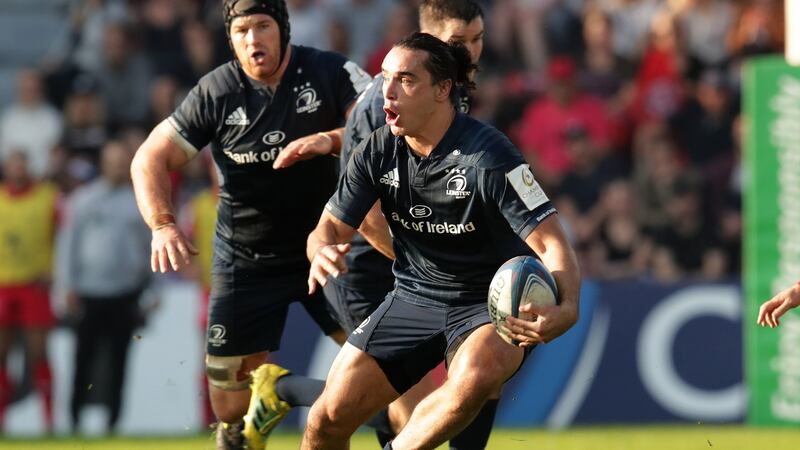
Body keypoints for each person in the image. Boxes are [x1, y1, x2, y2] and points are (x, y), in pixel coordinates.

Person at [303, 33, 581, 450]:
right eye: (384, 79)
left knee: (478, 373)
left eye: (406, 81)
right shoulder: (376, 150)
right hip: (413, 297)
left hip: (488, 303)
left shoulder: (489, 157)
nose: (388, 93)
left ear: (442, 90)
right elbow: (326, 228)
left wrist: (569, 307)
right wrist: (320, 249)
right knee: (325, 422)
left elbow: (553, 244)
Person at [252, 2, 496, 448]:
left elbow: (399, 134)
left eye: (478, 39)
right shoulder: (399, 86)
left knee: (435, 405)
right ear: (432, 40)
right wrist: (429, 267)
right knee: (414, 414)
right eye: (461, 42)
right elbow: (366, 209)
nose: (473, 51)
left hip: (415, 269)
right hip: (365, 270)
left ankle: (283, 389)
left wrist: (330, 139)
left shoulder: (447, 87)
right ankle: (281, 390)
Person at [128, 1, 370, 448]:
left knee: (383, 366)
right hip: (246, 261)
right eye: (242, 30)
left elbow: (379, 129)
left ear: (283, 30)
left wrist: (328, 140)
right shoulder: (216, 92)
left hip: (327, 250)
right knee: (229, 407)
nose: (253, 39)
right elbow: (150, 157)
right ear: (230, 38)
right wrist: (162, 223)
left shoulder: (330, 71)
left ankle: (387, 431)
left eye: (263, 26)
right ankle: (264, 403)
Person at [61, 139, 153, 434]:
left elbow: (152, 246)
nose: (116, 167)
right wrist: (67, 286)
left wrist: (155, 290)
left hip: (126, 293)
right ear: (102, 163)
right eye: (111, 161)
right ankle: (74, 420)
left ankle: (113, 422)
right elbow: (67, 246)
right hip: (89, 292)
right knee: (82, 360)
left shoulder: (141, 201)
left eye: (121, 161)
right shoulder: (84, 199)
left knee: (119, 361)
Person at [0, 151, 59, 433]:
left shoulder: (48, 197)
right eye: (14, 163)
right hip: (3, 286)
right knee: (2, 355)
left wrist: (56, 271)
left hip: (34, 286)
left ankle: (48, 422)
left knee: (38, 354)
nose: (18, 168)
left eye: (23, 162)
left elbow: (64, 237)